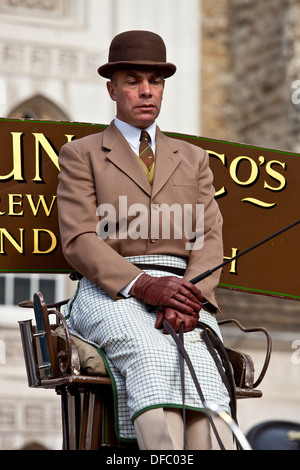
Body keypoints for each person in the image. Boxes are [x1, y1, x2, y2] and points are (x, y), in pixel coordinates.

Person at [57, 30, 234, 450]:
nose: (145, 91)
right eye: (133, 80)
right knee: (151, 355)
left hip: (185, 297)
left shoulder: (193, 159)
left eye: (155, 81)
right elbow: (80, 238)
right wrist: (145, 285)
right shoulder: (81, 154)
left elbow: (209, 237)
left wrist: (191, 297)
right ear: (112, 88)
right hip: (111, 293)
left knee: (207, 377)